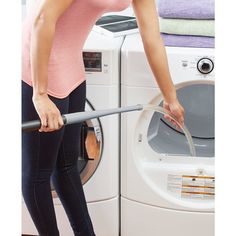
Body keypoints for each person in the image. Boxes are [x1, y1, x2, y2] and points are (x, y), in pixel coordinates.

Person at [22, 0, 185, 235]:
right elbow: (43, 18)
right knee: (38, 173)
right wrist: (39, 94)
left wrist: (171, 98)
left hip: (71, 69)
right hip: (35, 69)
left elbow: (152, 38)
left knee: (67, 165)